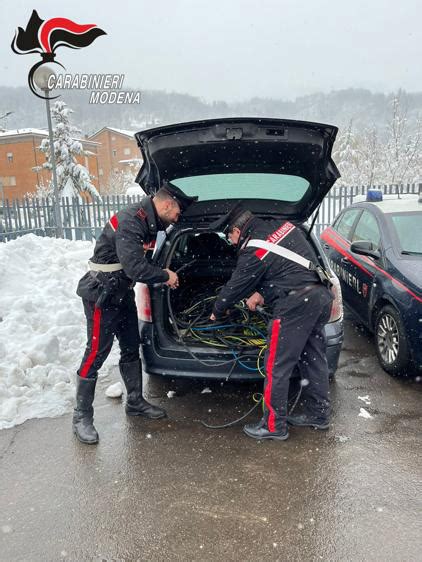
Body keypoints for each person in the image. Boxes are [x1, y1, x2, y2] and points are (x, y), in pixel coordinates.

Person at [73, 181, 198, 444]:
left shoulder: (152, 223)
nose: (178, 218)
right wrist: (165, 275)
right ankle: (81, 417)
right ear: (167, 204)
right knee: (96, 352)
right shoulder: (132, 220)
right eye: (177, 212)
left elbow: (142, 263)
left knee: (131, 346)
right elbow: (135, 268)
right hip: (101, 294)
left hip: (121, 292)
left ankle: (135, 401)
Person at [210, 204, 334, 441]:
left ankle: (273, 426)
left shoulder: (254, 247)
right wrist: (263, 294)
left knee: (276, 365)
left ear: (237, 230)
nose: (232, 243)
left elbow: (236, 286)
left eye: (230, 237)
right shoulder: (283, 226)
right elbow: (289, 269)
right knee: (314, 358)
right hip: (318, 296)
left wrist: (217, 310)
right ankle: (318, 415)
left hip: (295, 306)